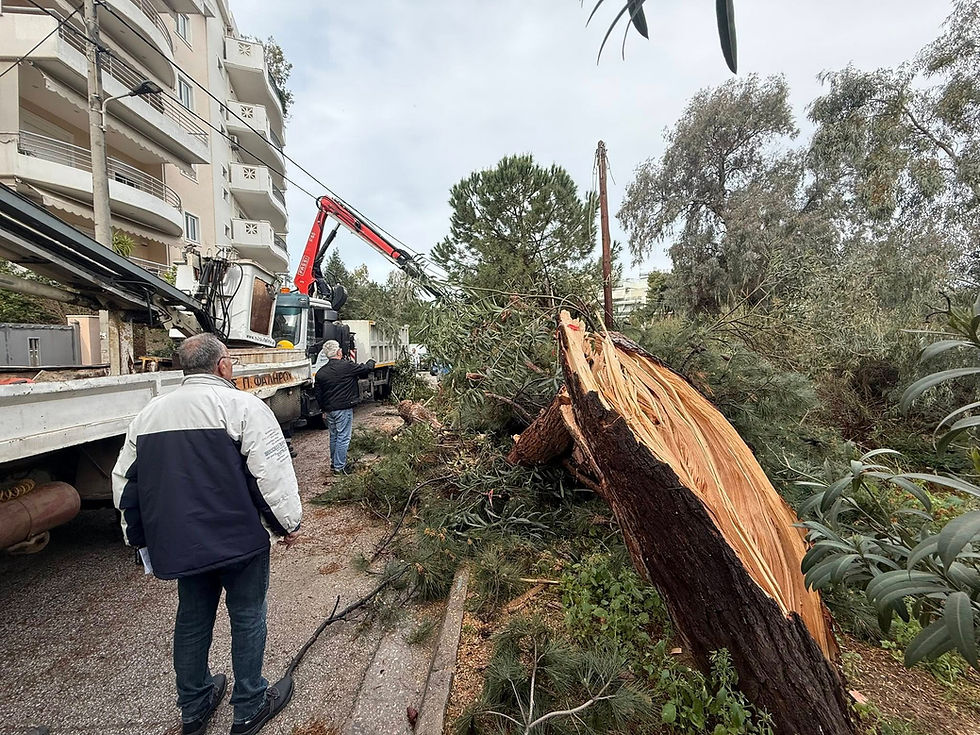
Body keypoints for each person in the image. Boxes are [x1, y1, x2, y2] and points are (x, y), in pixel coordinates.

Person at [111, 333, 303, 735]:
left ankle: (194, 705)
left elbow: (126, 484)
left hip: (183, 545)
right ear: (223, 366)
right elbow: (271, 474)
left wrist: (138, 540)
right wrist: (288, 524)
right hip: (241, 541)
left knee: (192, 620)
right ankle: (249, 705)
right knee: (248, 617)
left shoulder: (149, 415)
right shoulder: (243, 407)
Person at [313, 339, 375, 473]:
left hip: (330, 410)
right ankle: (339, 467)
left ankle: (334, 463)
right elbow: (366, 368)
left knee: (334, 436)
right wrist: (371, 361)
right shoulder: (346, 366)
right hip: (343, 409)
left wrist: (323, 409)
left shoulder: (321, 373)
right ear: (339, 352)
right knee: (343, 437)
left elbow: (318, 394)